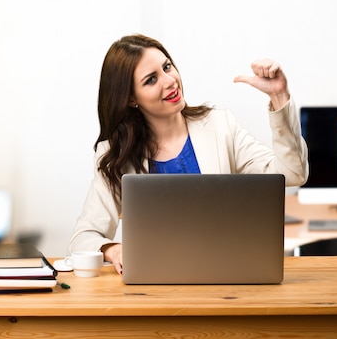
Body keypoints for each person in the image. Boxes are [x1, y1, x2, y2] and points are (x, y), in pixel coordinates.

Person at [69, 34, 309, 275]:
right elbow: (84, 237)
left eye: (167, 67)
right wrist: (114, 249)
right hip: (153, 282)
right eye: (151, 79)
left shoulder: (220, 126)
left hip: (226, 274)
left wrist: (279, 96)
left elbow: (292, 174)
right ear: (131, 98)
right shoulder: (115, 155)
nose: (170, 81)